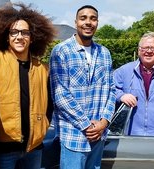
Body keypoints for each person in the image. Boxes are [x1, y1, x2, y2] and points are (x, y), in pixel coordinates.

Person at [0, 3, 56, 169]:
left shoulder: (43, 69)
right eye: (14, 32)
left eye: (25, 32)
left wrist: (43, 125)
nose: (19, 37)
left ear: (32, 37)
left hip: (34, 148)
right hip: (3, 150)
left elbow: (49, 104)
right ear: (7, 36)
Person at [49, 5, 116, 169]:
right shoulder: (61, 51)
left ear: (97, 23)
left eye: (93, 19)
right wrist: (87, 125)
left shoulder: (104, 53)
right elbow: (60, 95)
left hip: (99, 136)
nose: (88, 22)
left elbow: (111, 91)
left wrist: (103, 122)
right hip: (74, 135)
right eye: (83, 18)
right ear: (76, 22)